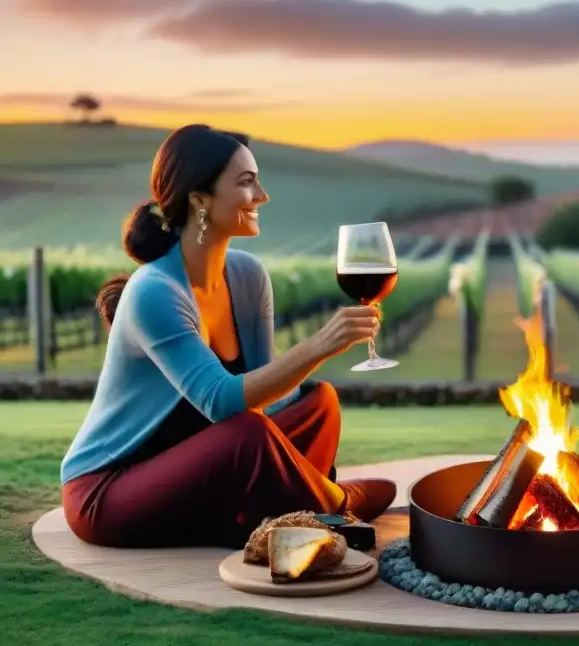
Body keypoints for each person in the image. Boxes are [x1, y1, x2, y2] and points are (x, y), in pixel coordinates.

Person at [61, 123, 398, 549]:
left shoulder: (246, 276)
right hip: (110, 491)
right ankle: (334, 506)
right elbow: (221, 403)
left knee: (320, 402)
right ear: (200, 200)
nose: (262, 196)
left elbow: (268, 397)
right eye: (246, 183)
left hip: (202, 462)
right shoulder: (154, 291)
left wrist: (307, 400)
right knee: (247, 433)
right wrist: (319, 344)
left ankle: (271, 516)